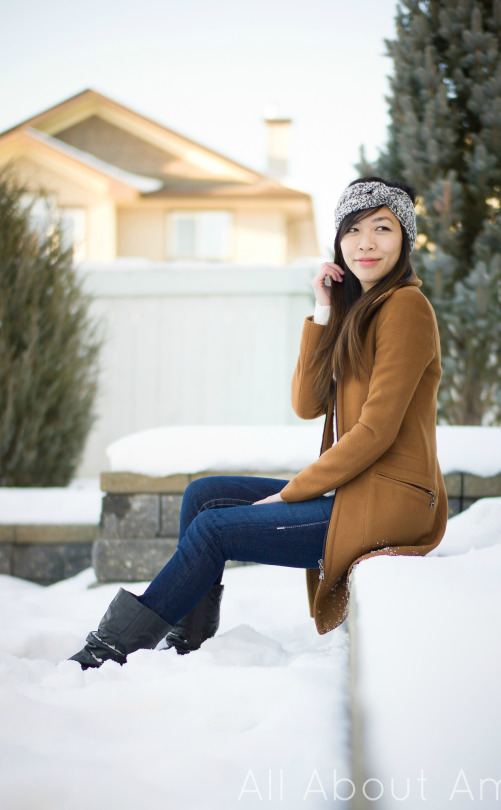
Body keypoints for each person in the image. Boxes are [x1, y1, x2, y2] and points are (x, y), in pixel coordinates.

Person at [70, 176, 448, 670]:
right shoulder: (362, 311)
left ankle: (110, 649)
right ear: (338, 241)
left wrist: (291, 493)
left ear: (405, 239)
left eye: (383, 228)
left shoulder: (405, 307)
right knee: (204, 495)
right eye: (353, 230)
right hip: (360, 491)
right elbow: (307, 402)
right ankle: (188, 636)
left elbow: (374, 432)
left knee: (213, 529)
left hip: (391, 503)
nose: (366, 243)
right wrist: (323, 309)